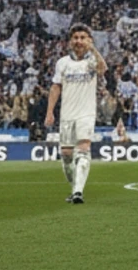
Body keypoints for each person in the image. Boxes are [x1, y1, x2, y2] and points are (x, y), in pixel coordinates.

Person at [43, 22, 106, 205]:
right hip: (66, 115)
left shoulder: (92, 61)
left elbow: (103, 69)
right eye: (76, 38)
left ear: (89, 40)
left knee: (83, 149)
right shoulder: (62, 63)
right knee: (66, 154)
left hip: (86, 113)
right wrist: (50, 112)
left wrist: (93, 48)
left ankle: (78, 192)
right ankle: (74, 189)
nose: (79, 41)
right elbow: (55, 87)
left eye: (82, 38)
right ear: (70, 41)